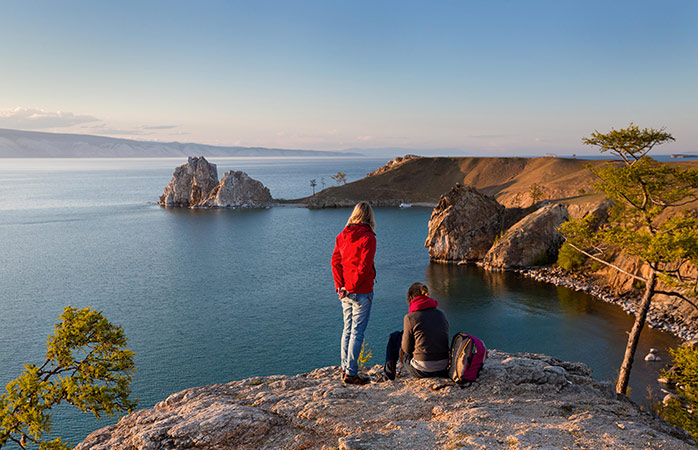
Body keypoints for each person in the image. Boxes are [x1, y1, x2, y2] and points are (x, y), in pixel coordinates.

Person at [331, 201, 376, 385]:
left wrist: (340, 286)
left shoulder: (342, 235)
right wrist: (351, 287)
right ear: (369, 217)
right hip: (361, 291)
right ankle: (351, 373)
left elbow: (335, 262)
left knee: (347, 330)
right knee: (357, 332)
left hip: (345, 293)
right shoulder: (369, 237)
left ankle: (345, 367)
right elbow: (364, 267)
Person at [385, 282, 449, 379]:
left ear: (410, 298)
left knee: (395, 337)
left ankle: (388, 376)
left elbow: (407, 350)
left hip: (422, 370)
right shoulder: (441, 314)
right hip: (443, 367)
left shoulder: (410, 318)